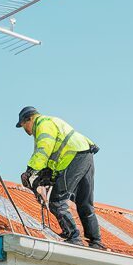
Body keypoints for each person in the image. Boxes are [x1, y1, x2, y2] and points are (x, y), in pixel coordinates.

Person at [16, 106, 103, 249]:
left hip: (74, 157)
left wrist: (30, 171)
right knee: (84, 203)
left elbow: (44, 149)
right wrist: (49, 175)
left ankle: (73, 237)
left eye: (23, 125)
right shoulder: (52, 121)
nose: (25, 130)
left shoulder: (42, 124)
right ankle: (96, 242)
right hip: (84, 155)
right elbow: (56, 157)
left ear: (29, 119)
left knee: (57, 201)